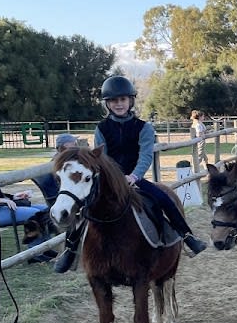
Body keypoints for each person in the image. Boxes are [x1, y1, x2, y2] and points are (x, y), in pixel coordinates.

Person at [54, 75, 206, 273]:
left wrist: (134, 176)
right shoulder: (102, 128)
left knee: (164, 198)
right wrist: (112, 178)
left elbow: (145, 156)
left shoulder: (144, 128)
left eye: (123, 100)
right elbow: (102, 157)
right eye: (114, 101)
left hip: (135, 178)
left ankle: (187, 236)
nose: (119, 104)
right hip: (109, 180)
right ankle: (70, 250)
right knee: (83, 207)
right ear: (107, 103)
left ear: (130, 101)